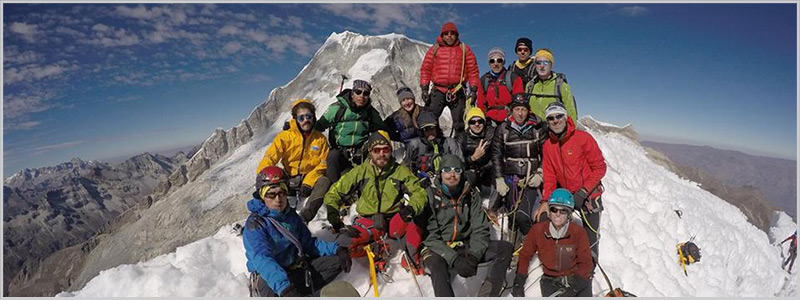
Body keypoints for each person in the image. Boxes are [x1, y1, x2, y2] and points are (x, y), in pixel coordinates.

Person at [323, 131, 427, 270]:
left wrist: (411, 208)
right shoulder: (360, 172)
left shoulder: (400, 172)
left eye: (385, 150)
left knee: (419, 216)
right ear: (370, 152)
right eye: (376, 150)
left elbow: (419, 193)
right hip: (369, 222)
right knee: (343, 243)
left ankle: (411, 257)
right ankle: (376, 250)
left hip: (395, 220)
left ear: (390, 150)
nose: (381, 154)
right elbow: (333, 194)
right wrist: (335, 218)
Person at [243, 166, 351, 297]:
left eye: (281, 192)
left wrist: (337, 249)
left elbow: (309, 244)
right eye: (271, 194)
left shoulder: (291, 215)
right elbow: (263, 260)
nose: (278, 199)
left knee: (336, 262)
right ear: (262, 196)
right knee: (267, 285)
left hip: (294, 268)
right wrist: (285, 288)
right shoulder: (255, 225)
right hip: (270, 276)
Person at [422, 155, 513, 297]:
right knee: (437, 266)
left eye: (457, 170)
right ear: (440, 172)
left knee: (504, 249)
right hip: (437, 247)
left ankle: (488, 295)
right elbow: (430, 237)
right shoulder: (430, 195)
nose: (452, 175)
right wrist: (454, 259)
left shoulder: (470, 193)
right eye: (447, 170)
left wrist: (474, 255)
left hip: (464, 243)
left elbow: (480, 228)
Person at [534, 102, 607, 274]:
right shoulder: (548, 146)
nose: (555, 121)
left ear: (566, 117)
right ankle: (561, 263)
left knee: (591, 236)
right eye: (551, 118)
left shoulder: (583, 138)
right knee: (559, 229)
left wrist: (583, 191)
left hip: (589, 195)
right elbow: (550, 176)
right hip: (566, 196)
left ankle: (589, 269)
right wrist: (545, 200)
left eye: (559, 116)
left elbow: (599, 168)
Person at [256, 99, 331, 223]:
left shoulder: (320, 139)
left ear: (314, 118)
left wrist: (308, 182)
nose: (306, 120)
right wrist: (262, 178)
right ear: (295, 119)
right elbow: (270, 157)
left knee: (324, 181)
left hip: (309, 179)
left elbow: (323, 164)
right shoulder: (284, 137)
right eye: (301, 118)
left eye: (309, 116)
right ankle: (272, 219)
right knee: (274, 189)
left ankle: (304, 218)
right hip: (289, 177)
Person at [511, 188, 593, 297]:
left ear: (569, 214)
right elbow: (525, 254)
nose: (558, 214)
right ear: (549, 211)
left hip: (575, 279)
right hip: (551, 280)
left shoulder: (578, 232)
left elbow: (585, 261)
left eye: (563, 210)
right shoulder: (538, 230)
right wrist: (519, 281)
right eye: (554, 209)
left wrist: (574, 287)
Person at [489, 94, 548, 240]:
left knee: (522, 216)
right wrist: (499, 178)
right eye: (517, 109)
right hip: (511, 178)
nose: (520, 113)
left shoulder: (537, 128)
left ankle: (530, 245)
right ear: (511, 110)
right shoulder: (503, 129)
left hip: (531, 178)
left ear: (528, 111)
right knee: (512, 216)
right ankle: (512, 248)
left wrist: (540, 173)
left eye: (523, 109)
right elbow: (496, 154)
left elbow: (547, 154)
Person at [315, 79, 384, 183]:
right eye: (358, 92)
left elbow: (382, 128)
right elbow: (319, 126)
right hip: (339, 151)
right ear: (352, 94)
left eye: (366, 93)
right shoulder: (337, 109)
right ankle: (333, 189)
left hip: (361, 151)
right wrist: (294, 126)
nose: (362, 96)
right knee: (332, 157)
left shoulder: (370, 112)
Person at [419, 21, 480, 137]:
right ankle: (434, 148)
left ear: (457, 35)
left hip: (457, 91)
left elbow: (473, 71)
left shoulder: (464, 49)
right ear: (442, 35)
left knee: (459, 125)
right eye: (446, 33)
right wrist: (424, 88)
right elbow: (425, 69)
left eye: (452, 33)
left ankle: (459, 150)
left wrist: (473, 89)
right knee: (429, 121)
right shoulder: (435, 49)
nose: (449, 35)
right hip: (438, 90)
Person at [404, 110, 463, 188]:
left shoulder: (450, 143)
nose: (430, 132)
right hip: (424, 183)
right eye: (426, 129)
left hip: (448, 181)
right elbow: (406, 166)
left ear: (437, 128)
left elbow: (461, 163)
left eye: (432, 128)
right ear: (421, 131)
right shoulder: (414, 145)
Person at [526, 48, 578, 122]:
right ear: (535, 65)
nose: (542, 66)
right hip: (534, 131)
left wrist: (570, 131)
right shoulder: (530, 86)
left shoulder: (561, 86)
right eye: (538, 62)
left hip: (555, 130)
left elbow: (571, 112)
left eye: (546, 62)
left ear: (551, 65)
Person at [476, 47, 524, 125]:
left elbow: (519, 102)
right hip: (489, 120)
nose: (496, 64)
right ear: (489, 63)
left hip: (509, 119)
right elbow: (481, 104)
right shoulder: (484, 80)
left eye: (499, 60)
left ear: (504, 62)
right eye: (492, 61)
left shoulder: (513, 78)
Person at [457, 107, 496, 195]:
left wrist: (485, 167)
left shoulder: (491, 133)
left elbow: (497, 154)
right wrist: (473, 158)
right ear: (468, 124)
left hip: (488, 170)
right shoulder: (462, 137)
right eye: (472, 122)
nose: (477, 124)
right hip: (470, 170)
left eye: (480, 121)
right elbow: (459, 161)